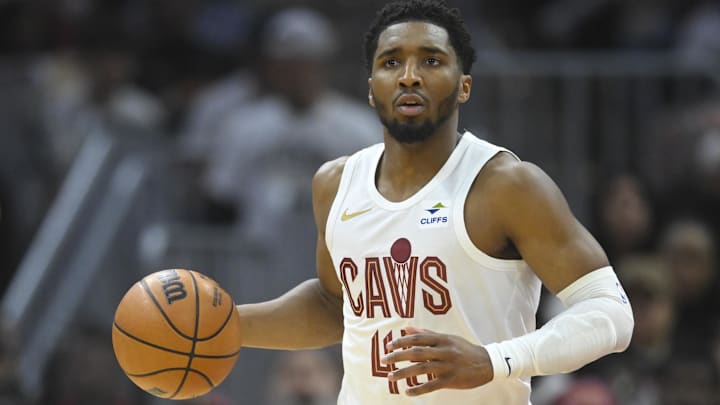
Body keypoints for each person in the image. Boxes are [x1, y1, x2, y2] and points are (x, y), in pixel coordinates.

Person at [235, 1, 634, 403]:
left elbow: (611, 313)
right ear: (372, 88)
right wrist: (226, 325)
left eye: (431, 60)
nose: (409, 77)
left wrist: (494, 360)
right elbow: (333, 305)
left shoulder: (506, 184)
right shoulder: (335, 183)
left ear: (464, 85)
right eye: (391, 62)